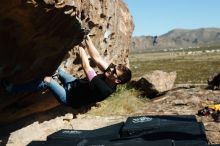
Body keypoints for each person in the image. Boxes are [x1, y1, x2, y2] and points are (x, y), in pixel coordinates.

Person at [2, 35, 132, 108]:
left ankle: (12, 89)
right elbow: (97, 58)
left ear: (117, 81)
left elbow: (88, 68)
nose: (110, 70)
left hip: (69, 97)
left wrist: (80, 46)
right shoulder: (110, 74)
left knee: (47, 81)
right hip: (74, 83)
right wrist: (86, 38)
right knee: (56, 67)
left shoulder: (104, 89)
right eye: (113, 68)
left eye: (114, 72)